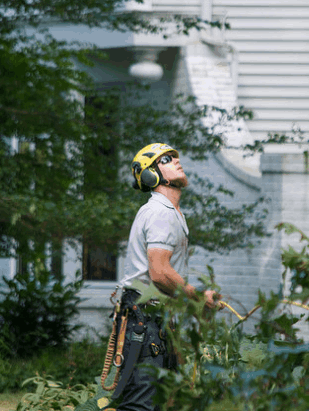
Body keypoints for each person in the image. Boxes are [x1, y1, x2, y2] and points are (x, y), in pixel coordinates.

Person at [107, 143, 218, 411]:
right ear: (150, 176)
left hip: (156, 320)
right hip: (145, 322)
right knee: (141, 405)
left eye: (175, 157)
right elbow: (160, 273)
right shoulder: (159, 212)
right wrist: (198, 298)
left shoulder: (171, 212)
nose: (177, 161)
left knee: (163, 403)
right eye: (167, 159)